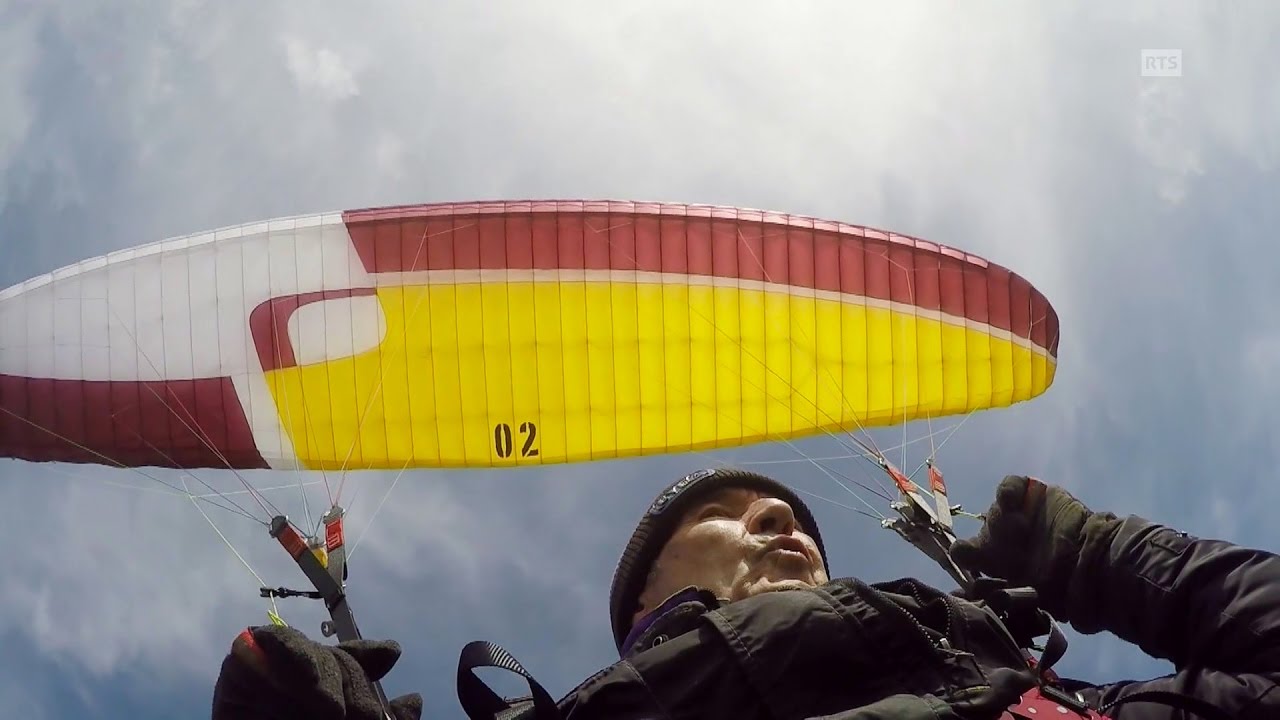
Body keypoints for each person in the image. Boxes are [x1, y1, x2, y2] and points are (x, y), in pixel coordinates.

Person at [211, 468, 1280, 719]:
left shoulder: (1055, 695)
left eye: (794, 519)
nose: (781, 521)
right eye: (723, 515)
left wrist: (1093, 558)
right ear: (644, 605)